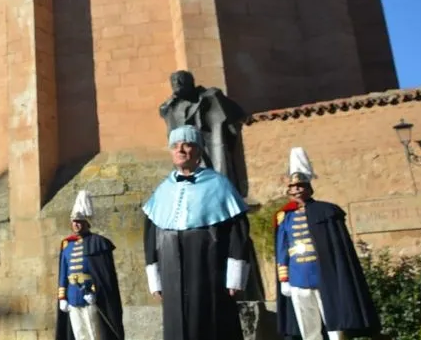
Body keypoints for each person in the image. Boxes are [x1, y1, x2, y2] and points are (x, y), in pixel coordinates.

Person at [142, 125, 251, 340]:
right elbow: (151, 236)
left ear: (199, 151)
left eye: (187, 145)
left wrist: (235, 276)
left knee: (210, 323)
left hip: (208, 266)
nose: (180, 150)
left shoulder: (219, 185)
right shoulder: (162, 190)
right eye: (175, 146)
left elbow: (238, 232)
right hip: (171, 268)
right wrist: (155, 277)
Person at [275, 147, 380, 340]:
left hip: (323, 274)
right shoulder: (285, 217)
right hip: (298, 275)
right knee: (308, 327)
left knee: (334, 323)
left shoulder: (326, 211)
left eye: (300, 186)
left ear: (309, 189)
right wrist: (284, 279)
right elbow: (282, 249)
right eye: (293, 187)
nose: (297, 190)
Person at [54, 190, 125, 340]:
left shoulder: (98, 243)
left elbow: (103, 276)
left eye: (79, 221)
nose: (76, 224)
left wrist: (95, 292)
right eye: (74, 221)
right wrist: (62, 298)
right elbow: (63, 274)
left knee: (95, 335)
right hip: (72, 297)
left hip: (89, 298)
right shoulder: (67, 245)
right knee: (80, 335)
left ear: (87, 223)